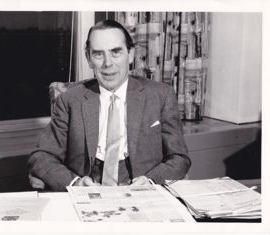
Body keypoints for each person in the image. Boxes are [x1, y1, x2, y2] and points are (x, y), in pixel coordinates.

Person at [28, 20, 191, 191]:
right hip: (88, 188)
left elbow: (179, 157)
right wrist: (75, 183)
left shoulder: (161, 95)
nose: (108, 64)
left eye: (116, 52)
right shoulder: (69, 100)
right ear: (88, 58)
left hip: (142, 188)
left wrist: (151, 182)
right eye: (98, 54)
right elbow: (41, 156)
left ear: (131, 54)